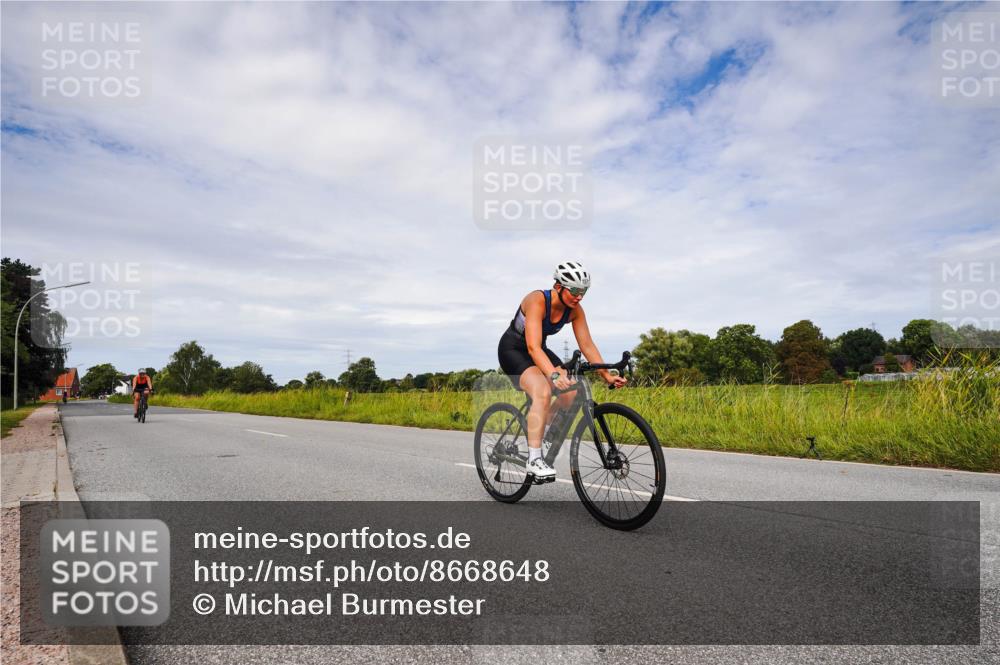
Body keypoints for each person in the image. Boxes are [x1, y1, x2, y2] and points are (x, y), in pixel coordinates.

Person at [497, 261, 626, 480]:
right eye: (574, 290)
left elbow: (587, 344)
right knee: (542, 390)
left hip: (539, 349)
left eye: (583, 291)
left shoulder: (575, 311)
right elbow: (532, 347)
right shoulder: (537, 300)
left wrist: (606, 375)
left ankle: (544, 433)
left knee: (571, 391)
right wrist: (553, 374)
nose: (579, 296)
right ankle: (534, 459)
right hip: (514, 350)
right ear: (559, 286)